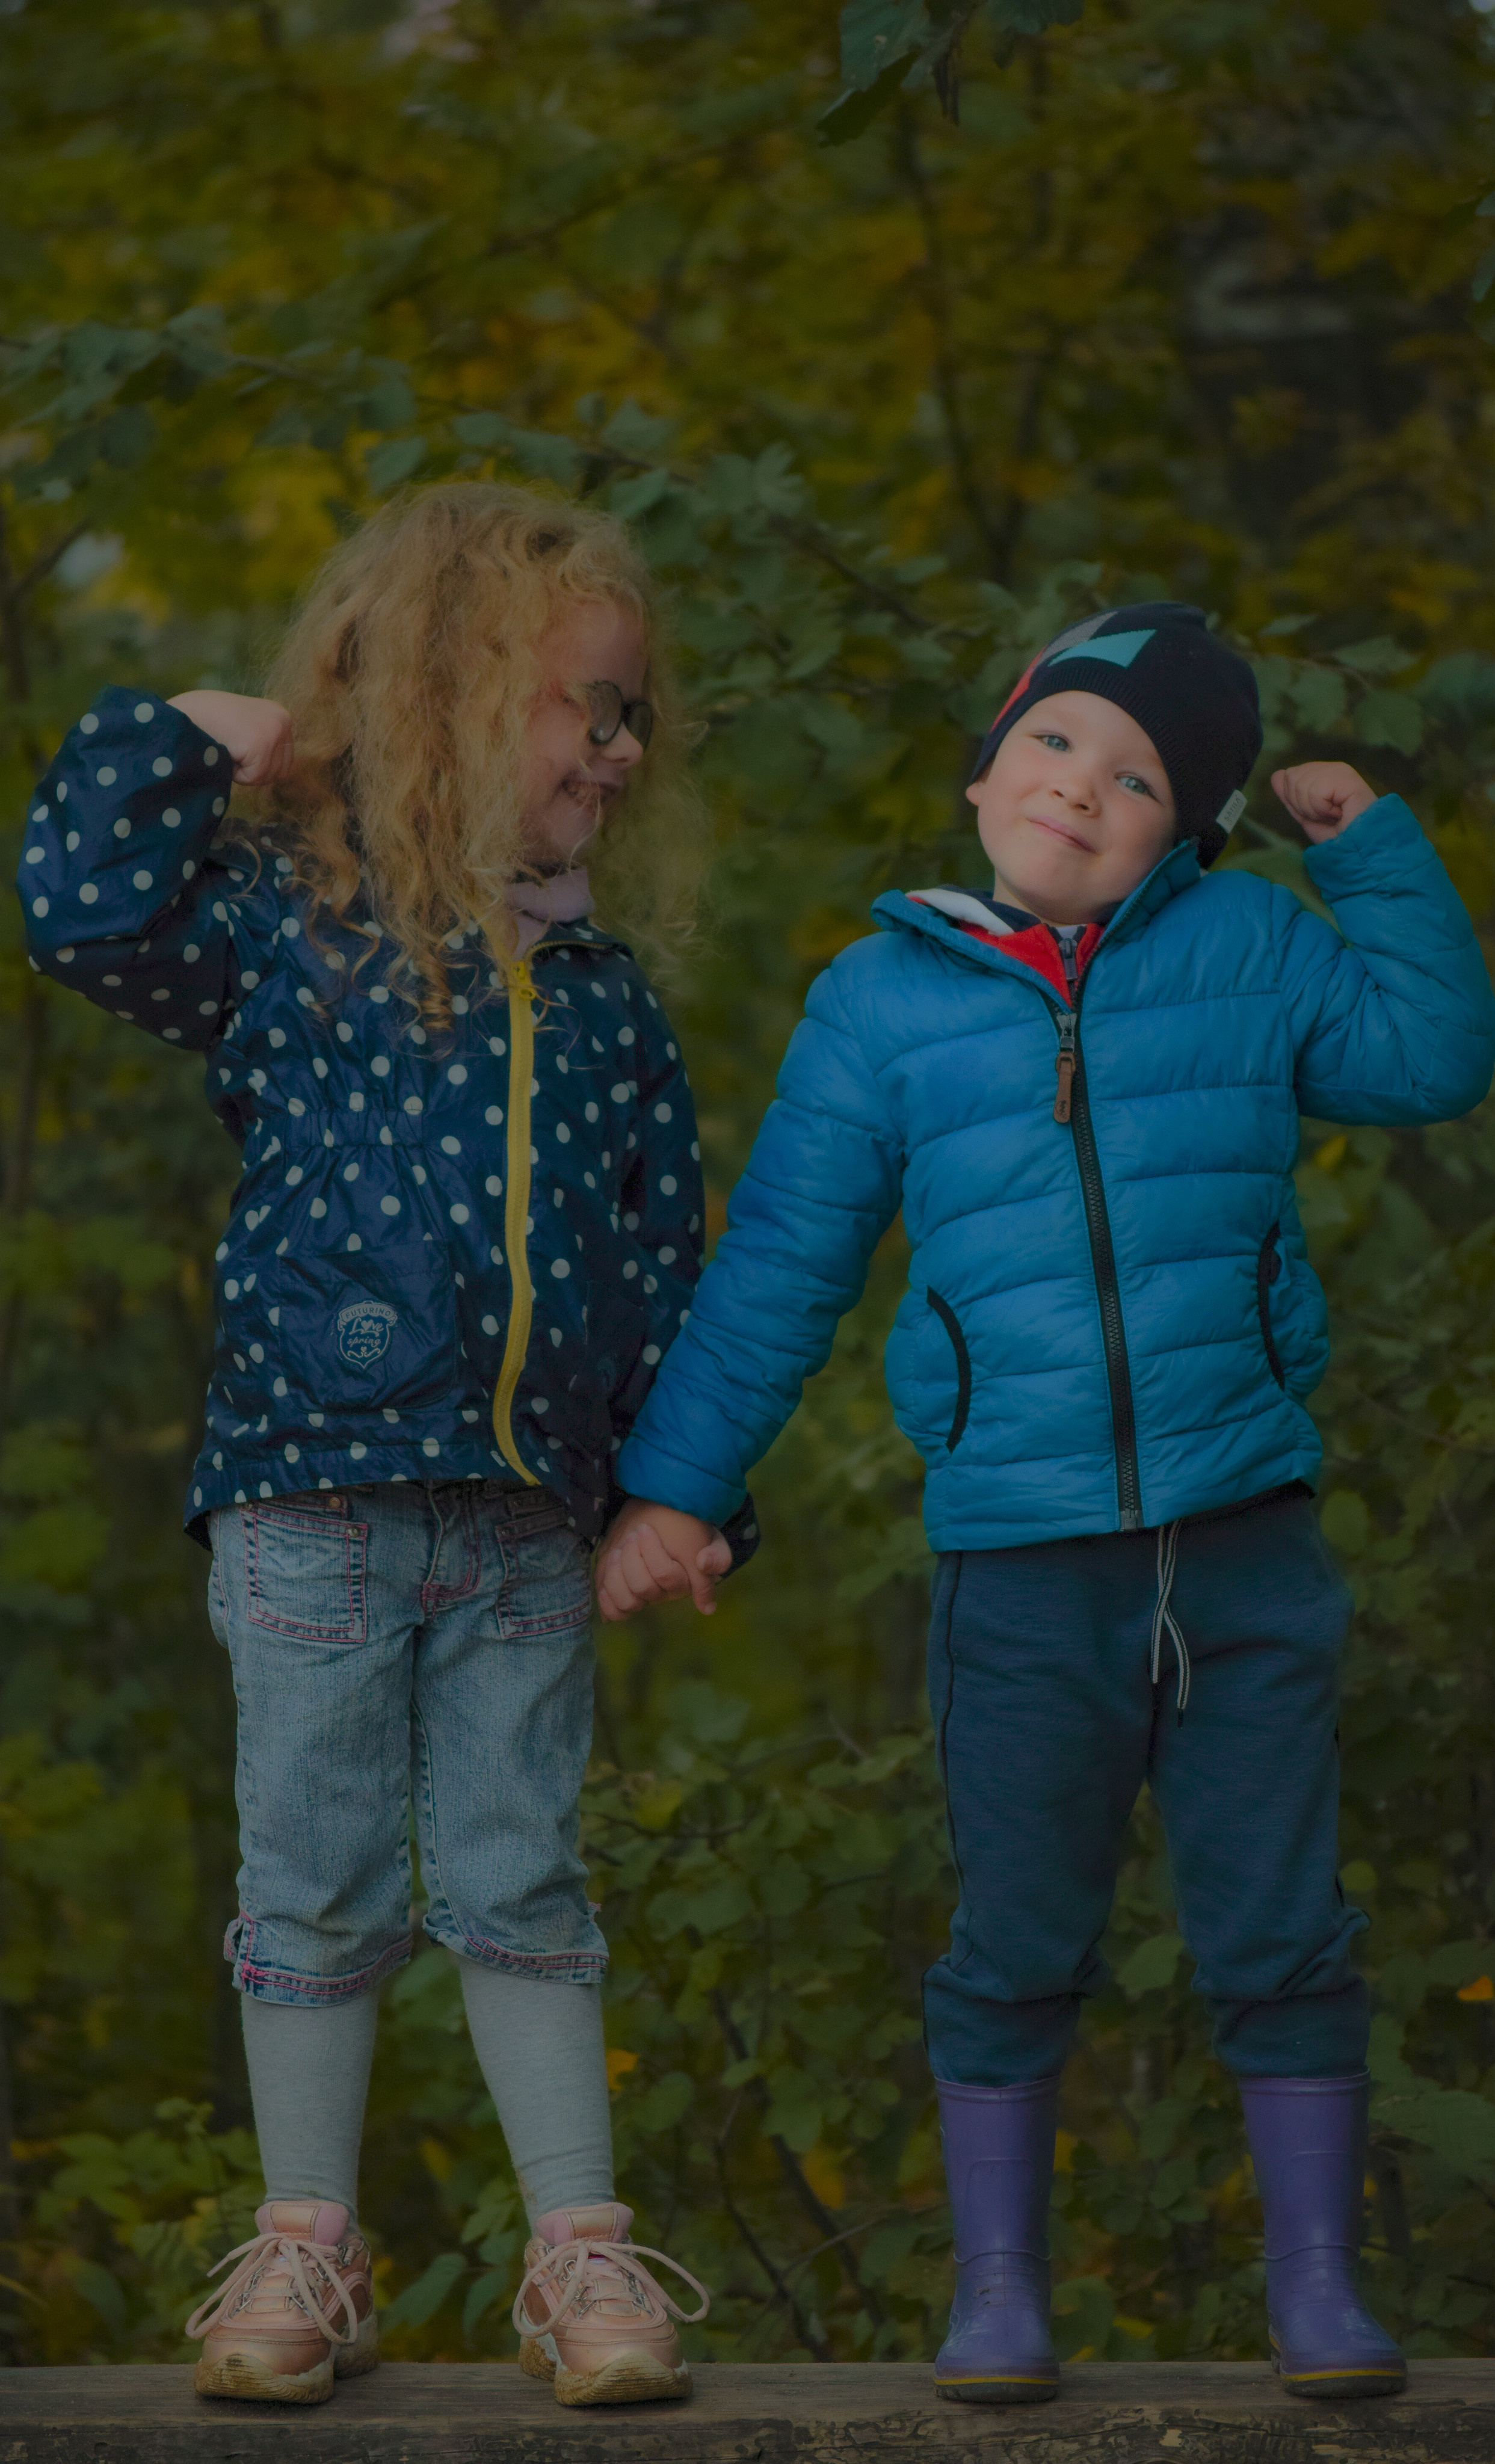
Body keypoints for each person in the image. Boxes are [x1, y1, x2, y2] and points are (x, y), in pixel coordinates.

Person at [593, 603, 1495, 2404]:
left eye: (1143, 777)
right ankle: (998, 2293)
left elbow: (1433, 1058)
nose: (1085, 787)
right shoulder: (882, 1002)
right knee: (1016, 1930)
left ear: (1191, 831)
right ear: (992, 758)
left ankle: (1316, 2285)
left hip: (1245, 1537)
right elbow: (780, 1264)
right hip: (1020, 1564)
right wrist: (676, 1494)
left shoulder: (1254, 947)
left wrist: (1374, 855)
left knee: (1280, 1922)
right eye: (1062, 741)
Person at [18, 482, 739, 2409]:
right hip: (309, 1498)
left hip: (526, 1521)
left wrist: (682, 1490)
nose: (620, 746)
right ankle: (306, 2244)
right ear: (433, 702)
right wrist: (188, 736)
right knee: (314, 1878)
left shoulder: (603, 1003)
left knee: (521, 1876)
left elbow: (674, 1258)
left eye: (630, 714)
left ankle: (580, 2256)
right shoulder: (285, 933)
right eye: (581, 703)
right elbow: (79, 912)